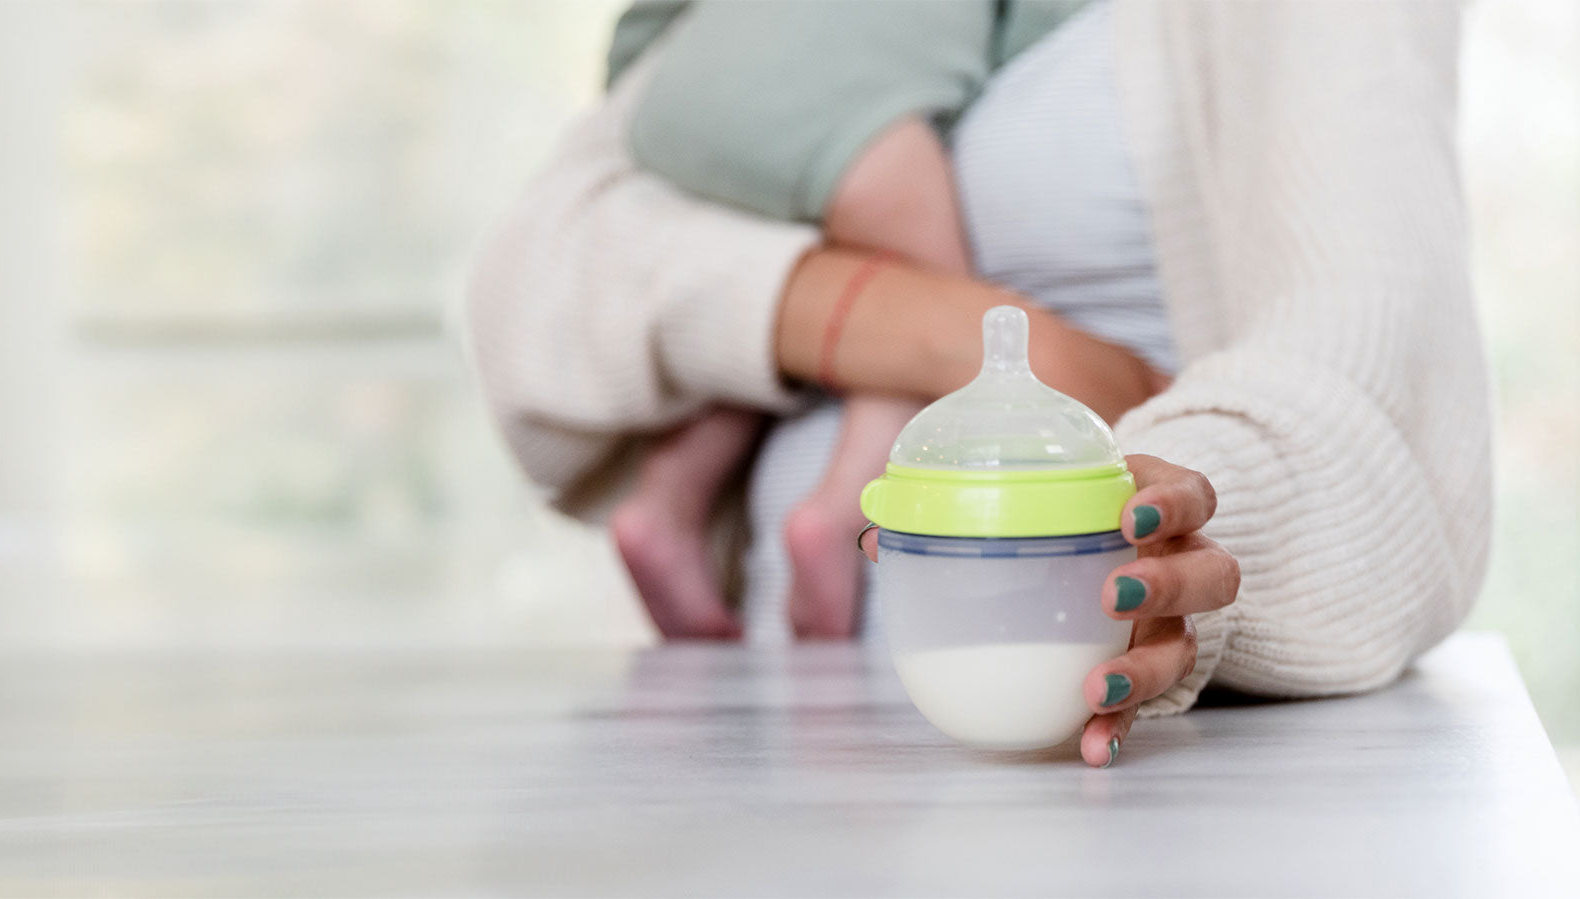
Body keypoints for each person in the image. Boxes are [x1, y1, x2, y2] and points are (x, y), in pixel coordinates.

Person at [465, 1, 1490, 767]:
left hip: (1131, 766)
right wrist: (958, 334)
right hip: (790, 743)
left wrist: (1171, 518)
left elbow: (1379, 386)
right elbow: (535, 288)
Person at [607, 2, 1162, 644]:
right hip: (829, 92)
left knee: (774, 278)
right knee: (923, 293)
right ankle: (843, 511)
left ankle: (667, 503)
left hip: (688, 76)